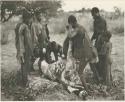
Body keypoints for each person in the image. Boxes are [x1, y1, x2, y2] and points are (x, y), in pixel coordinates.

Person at [63, 15, 98, 91]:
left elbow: (69, 36)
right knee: (87, 68)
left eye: (70, 23)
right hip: (87, 52)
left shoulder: (78, 29)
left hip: (84, 54)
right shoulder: (81, 27)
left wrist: (69, 28)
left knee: (80, 72)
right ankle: (98, 80)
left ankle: (87, 90)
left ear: (71, 22)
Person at [15, 9, 33, 86]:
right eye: (29, 18)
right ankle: (24, 82)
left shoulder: (26, 26)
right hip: (24, 50)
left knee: (26, 64)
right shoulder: (23, 27)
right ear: (25, 18)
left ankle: (25, 81)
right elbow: (20, 41)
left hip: (27, 49)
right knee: (24, 65)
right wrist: (21, 52)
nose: (30, 20)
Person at [91, 7, 108, 82]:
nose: (92, 16)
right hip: (97, 41)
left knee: (101, 58)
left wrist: (102, 42)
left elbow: (103, 33)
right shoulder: (95, 21)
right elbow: (95, 32)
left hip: (102, 41)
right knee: (96, 57)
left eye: (93, 14)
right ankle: (98, 75)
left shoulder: (102, 20)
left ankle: (102, 76)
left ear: (97, 13)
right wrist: (91, 39)